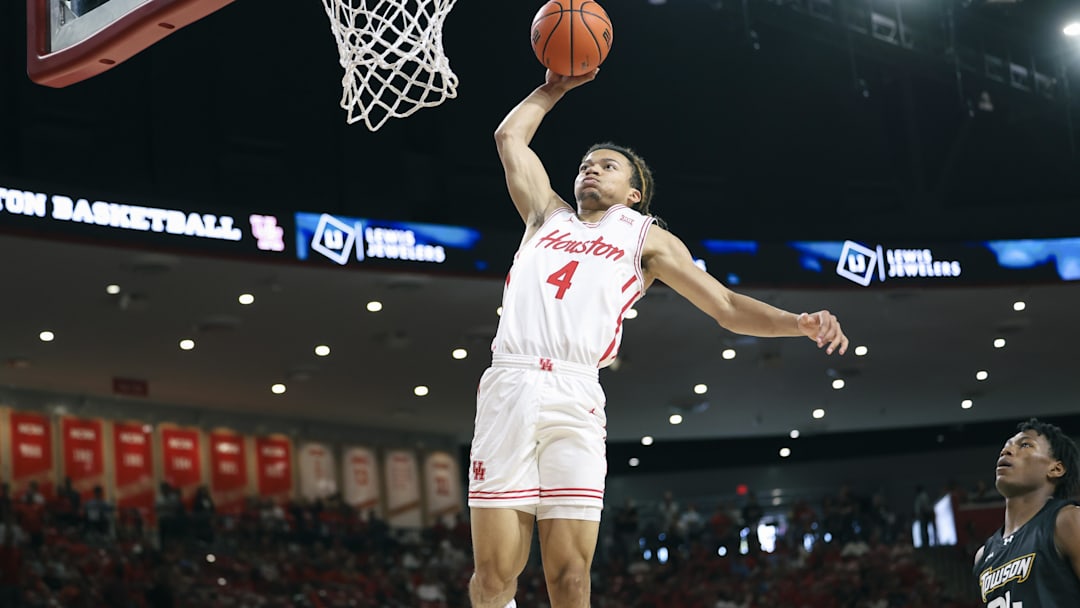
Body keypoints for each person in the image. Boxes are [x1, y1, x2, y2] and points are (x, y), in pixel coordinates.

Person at [467, 68, 849, 608]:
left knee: (571, 577)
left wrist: (798, 321)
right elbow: (509, 138)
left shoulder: (647, 238)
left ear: (634, 191)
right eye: (584, 165)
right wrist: (554, 87)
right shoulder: (543, 216)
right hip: (511, 382)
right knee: (494, 577)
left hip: (576, 394)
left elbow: (727, 306)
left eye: (607, 165)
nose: (590, 170)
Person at [973, 418, 1080, 606]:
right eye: (1006, 446)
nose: (1006, 451)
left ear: (1056, 468)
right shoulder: (983, 554)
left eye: (1025, 445)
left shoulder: (1067, 520)